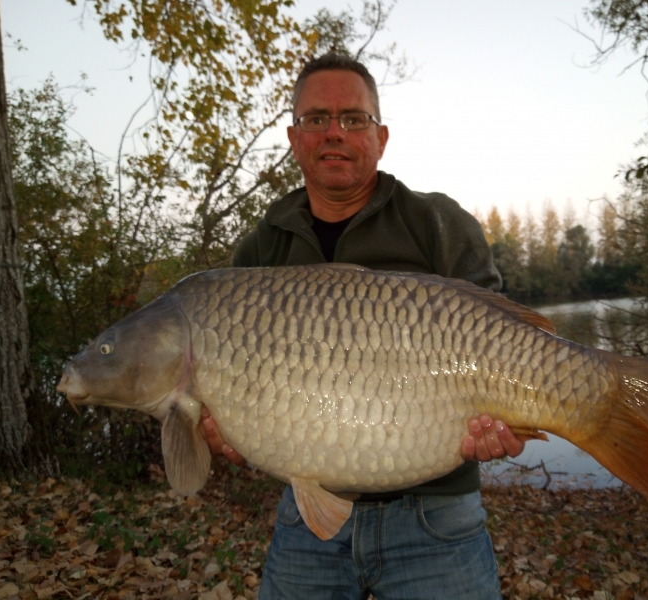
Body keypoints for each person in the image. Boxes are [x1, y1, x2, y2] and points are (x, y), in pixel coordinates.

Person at [200, 53, 526, 599]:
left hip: (436, 517)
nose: (334, 133)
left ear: (381, 136)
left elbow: (500, 345)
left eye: (353, 119)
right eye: (316, 119)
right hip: (307, 518)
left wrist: (503, 422)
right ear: (293, 136)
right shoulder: (261, 249)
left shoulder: (435, 223)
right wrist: (224, 428)